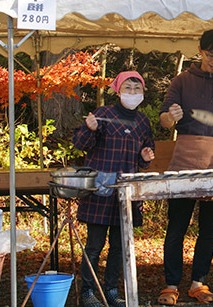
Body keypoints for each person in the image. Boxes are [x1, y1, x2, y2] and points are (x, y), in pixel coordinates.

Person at [157, 29, 213, 305]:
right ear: (200, 50)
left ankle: (199, 282)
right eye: (210, 55)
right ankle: (170, 284)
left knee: (209, 227)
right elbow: (163, 120)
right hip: (185, 154)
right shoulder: (182, 80)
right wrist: (170, 117)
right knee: (177, 225)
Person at [73, 71, 155, 307]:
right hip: (101, 190)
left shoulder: (143, 122)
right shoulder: (102, 114)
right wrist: (88, 128)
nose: (132, 93)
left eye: (136, 89)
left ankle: (111, 290)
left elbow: (145, 154)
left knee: (119, 246)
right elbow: (80, 145)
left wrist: (146, 157)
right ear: (118, 90)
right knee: (94, 245)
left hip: (127, 191)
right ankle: (88, 292)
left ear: (143, 93)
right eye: (127, 88)